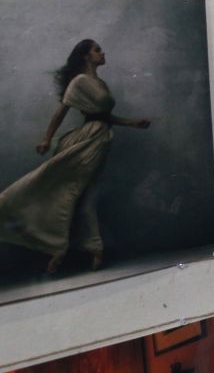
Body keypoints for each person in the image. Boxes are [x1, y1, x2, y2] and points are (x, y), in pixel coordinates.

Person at [0, 40, 150, 273]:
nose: (103, 52)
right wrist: (46, 139)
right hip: (87, 141)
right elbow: (62, 110)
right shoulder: (79, 82)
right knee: (71, 193)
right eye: (97, 49)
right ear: (86, 56)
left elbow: (103, 116)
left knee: (83, 195)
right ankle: (69, 249)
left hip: (100, 139)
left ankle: (70, 251)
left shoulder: (100, 82)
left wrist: (133, 123)